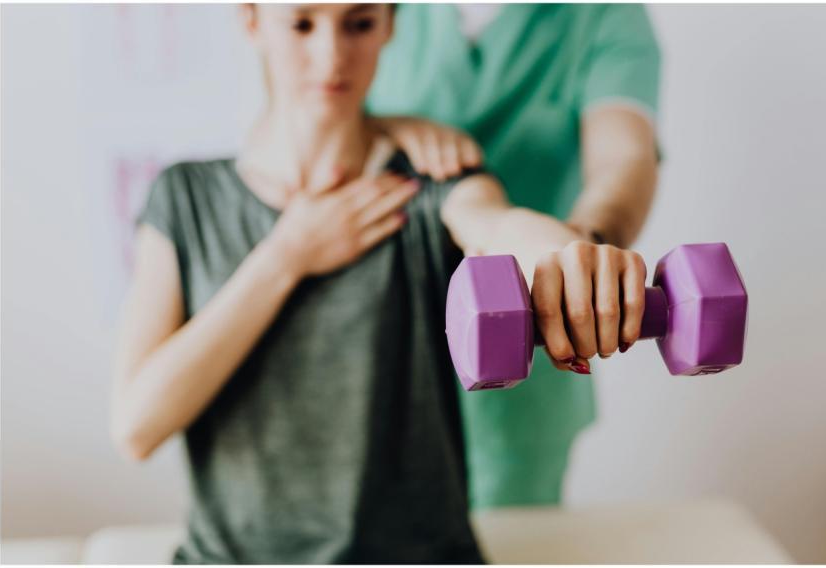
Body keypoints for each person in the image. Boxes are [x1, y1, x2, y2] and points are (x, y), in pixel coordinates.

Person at [109, 4, 649, 563]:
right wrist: (285, 259)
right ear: (251, 21)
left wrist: (566, 252)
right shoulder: (186, 195)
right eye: (301, 24)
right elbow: (135, 427)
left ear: (391, 24)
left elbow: (496, 224)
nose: (331, 56)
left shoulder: (434, 182)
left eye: (359, 24)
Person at [365, 4, 662, 509]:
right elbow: (303, 113)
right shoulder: (371, 12)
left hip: (526, 367)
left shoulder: (604, 15)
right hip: (374, 351)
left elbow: (625, 158)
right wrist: (382, 128)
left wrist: (579, 254)